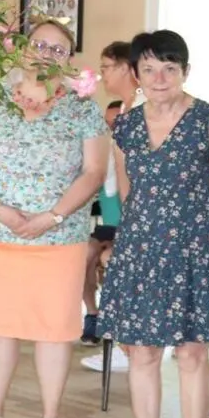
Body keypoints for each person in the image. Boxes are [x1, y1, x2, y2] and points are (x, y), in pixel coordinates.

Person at [0, 19, 109, 418]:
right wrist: (0, 211)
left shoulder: (83, 108)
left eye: (58, 49)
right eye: (39, 44)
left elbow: (94, 172)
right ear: (22, 48)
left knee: (54, 331)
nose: (46, 54)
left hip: (59, 237)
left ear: (69, 60)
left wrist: (53, 215)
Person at [97, 30, 209, 418]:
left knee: (191, 354)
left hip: (196, 254)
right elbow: (127, 194)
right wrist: (139, 242)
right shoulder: (126, 126)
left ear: (185, 71)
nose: (159, 78)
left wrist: (205, 247)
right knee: (142, 354)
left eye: (170, 68)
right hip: (140, 253)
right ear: (136, 75)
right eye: (149, 69)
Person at [81, 41, 146, 365]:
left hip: (140, 217)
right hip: (117, 217)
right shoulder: (124, 111)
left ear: (124, 68)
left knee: (112, 259)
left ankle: (124, 341)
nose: (102, 74)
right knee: (87, 254)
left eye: (106, 67)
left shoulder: (142, 109)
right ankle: (101, 323)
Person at [80, 99, 124, 346]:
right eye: (108, 125)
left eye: (117, 124)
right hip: (107, 230)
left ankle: (114, 317)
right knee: (84, 252)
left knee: (110, 258)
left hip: (131, 233)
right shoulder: (103, 161)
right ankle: (92, 314)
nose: (112, 131)